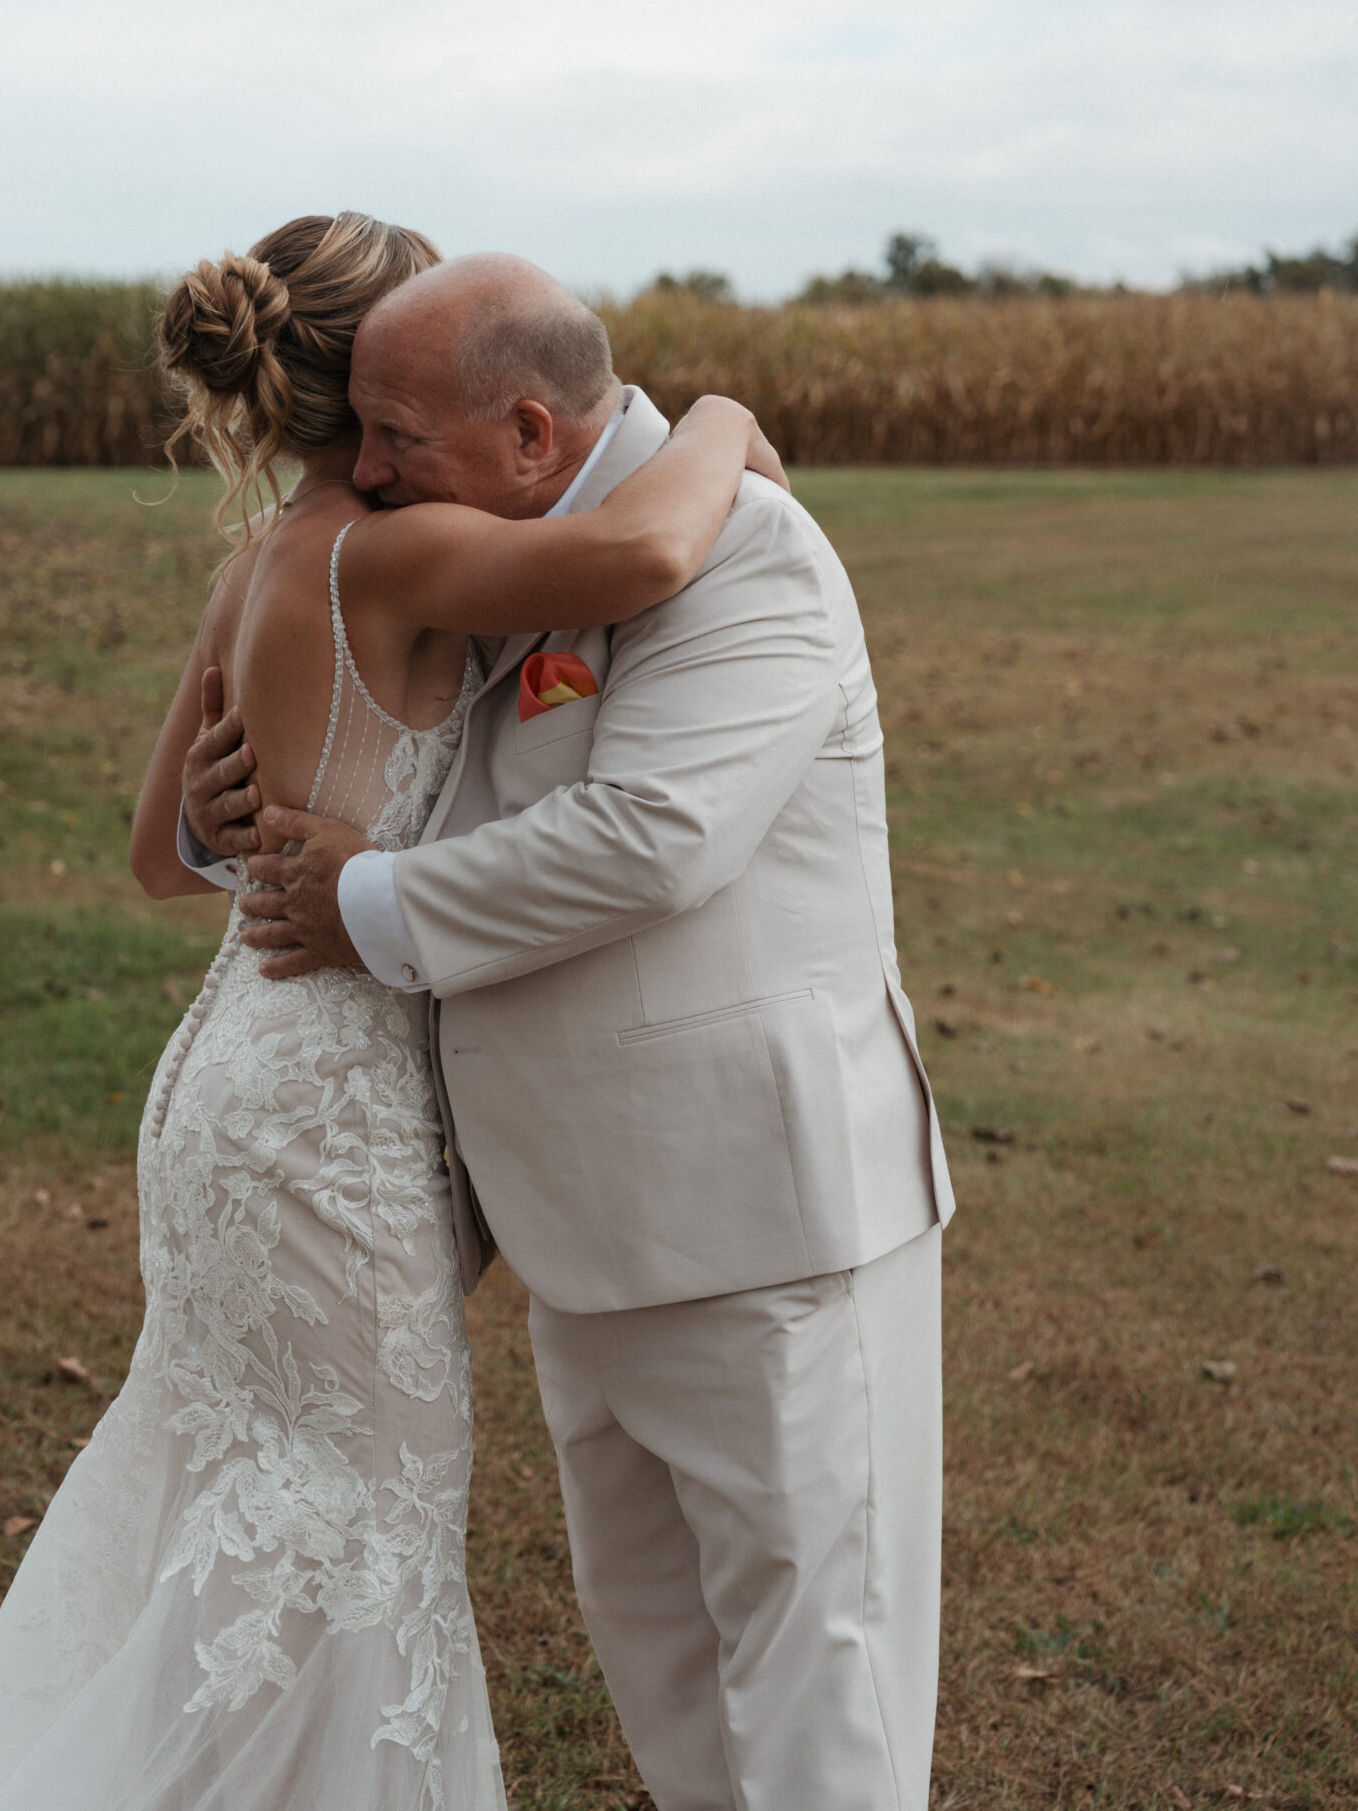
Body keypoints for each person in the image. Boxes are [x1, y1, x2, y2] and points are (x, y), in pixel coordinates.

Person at [0, 211, 784, 1811]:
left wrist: (233, 803)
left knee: (254, 1505)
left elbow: (152, 855)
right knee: (353, 1544)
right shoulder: (387, 553)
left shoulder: (262, 556)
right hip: (328, 1107)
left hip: (225, 1072)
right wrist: (721, 417)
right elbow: (653, 550)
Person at [185, 251, 957, 1811]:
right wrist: (240, 817)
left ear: (532, 433)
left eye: (395, 433)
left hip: (764, 1220)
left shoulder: (752, 553)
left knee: (821, 1677)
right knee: (660, 1662)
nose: (372, 467)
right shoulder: (505, 548)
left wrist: (370, 904)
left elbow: (654, 836)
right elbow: (368, 724)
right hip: (571, 1224)